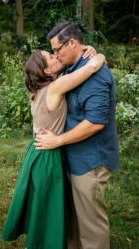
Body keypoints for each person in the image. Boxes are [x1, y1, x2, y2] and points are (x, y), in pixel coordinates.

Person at [1, 47, 105, 249]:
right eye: (50, 56)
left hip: (36, 152)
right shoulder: (55, 87)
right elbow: (93, 66)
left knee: (43, 207)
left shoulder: (36, 90)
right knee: (49, 211)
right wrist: (99, 54)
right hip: (47, 156)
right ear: (47, 71)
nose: (55, 55)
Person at [35, 21, 120, 249]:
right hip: (72, 157)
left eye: (56, 50)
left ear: (72, 43)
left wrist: (58, 140)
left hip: (90, 161)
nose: (55, 55)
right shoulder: (74, 67)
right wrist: (91, 51)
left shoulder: (97, 77)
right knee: (73, 223)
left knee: (91, 228)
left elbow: (94, 123)